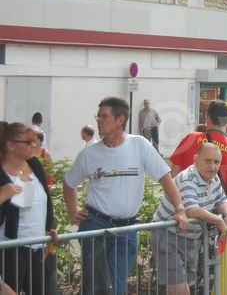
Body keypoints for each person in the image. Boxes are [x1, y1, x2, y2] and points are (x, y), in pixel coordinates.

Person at [64, 96, 188, 295]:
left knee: (117, 286)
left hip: (127, 228)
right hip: (96, 224)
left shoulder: (140, 145)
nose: (99, 120)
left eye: (104, 116)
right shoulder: (89, 154)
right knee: (95, 286)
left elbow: (165, 178)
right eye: (98, 116)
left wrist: (180, 210)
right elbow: (69, 184)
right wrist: (73, 211)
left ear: (120, 120)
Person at [151, 142, 227, 295]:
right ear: (195, 159)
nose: (212, 166)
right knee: (180, 289)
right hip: (168, 236)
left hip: (190, 238)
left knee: (180, 287)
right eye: (207, 161)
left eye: (216, 162)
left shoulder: (214, 179)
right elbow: (191, 210)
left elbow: (222, 199)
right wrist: (219, 220)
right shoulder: (187, 178)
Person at [0, 123, 56, 295]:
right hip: (10, 249)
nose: (34, 145)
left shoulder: (35, 164)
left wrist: (48, 229)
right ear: (11, 145)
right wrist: (3, 194)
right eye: (28, 142)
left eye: (35, 141)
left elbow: (46, 200)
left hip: (38, 247)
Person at [170, 100, 227, 201]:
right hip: (214, 207)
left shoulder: (190, 138)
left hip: (185, 204)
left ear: (208, 118)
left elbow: (173, 176)